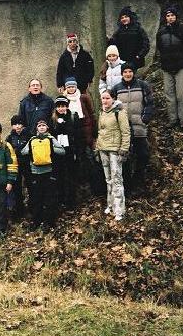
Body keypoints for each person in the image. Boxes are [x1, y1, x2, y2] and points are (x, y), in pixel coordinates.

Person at [111, 62, 154, 196]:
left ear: (133, 73)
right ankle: (128, 187)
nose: (127, 74)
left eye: (130, 71)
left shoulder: (142, 85)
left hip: (139, 127)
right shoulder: (116, 88)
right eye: (125, 72)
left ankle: (139, 182)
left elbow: (150, 103)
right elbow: (111, 107)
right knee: (125, 158)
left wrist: (145, 118)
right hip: (123, 131)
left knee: (143, 155)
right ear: (122, 74)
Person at [155, 6, 183, 130]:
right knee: (169, 95)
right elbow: (159, 47)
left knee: (182, 95)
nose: (170, 18)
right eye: (168, 16)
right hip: (167, 67)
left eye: (172, 15)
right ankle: (173, 120)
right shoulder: (161, 31)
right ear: (165, 18)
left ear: (176, 16)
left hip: (182, 67)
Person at [21, 120, 65, 230]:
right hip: (35, 173)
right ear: (36, 128)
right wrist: (33, 150)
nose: (41, 127)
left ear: (47, 128)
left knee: (49, 198)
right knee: (36, 198)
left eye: (43, 126)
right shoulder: (32, 139)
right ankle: (36, 221)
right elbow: (24, 152)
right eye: (39, 126)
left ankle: (49, 222)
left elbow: (62, 151)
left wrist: (50, 149)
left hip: (48, 172)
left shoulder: (51, 139)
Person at [94, 90, 131, 221]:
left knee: (117, 179)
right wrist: (97, 148)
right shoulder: (102, 112)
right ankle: (110, 205)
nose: (104, 101)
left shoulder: (119, 113)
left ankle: (119, 210)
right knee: (108, 179)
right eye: (103, 98)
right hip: (103, 149)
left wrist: (124, 150)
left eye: (107, 98)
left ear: (113, 99)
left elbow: (126, 132)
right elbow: (100, 132)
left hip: (115, 150)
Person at [63, 76, 95, 181]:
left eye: (73, 86)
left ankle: (91, 179)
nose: (71, 89)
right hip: (72, 129)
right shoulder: (64, 100)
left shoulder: (83, 98)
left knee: (88, 155)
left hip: (84, 127)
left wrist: (92, 130)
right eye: (69, 87)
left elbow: (91, 113)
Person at [50, 96, 78, 209]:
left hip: (69, 151)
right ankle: (60, 200)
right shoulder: (52, 119)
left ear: (67, 106)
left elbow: (77, 133)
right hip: (57, 153)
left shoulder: (72, 117)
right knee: (59, 177)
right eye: (59, 106)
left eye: (63, 106)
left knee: (70, 177)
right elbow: (51, 135)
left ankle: (71, 201)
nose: (61, 109)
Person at [108, 6, 150, 70]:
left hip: (135, 61)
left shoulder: (138, 29)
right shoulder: (119, 31)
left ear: (130, 17)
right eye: (122, 18)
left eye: (126, 17)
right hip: (122, 61)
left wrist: (139, 56)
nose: (124, 19)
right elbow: (113, 43)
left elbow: (146, 44)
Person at [4, 115, 30, 219]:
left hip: (27, 165)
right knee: (17, 189)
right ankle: (19, 211)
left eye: (19, 124)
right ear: (12, 126)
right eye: (15, 124)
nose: (18, 126)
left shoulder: (28, 136)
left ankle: (31, 209)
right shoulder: (9, 138)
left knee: (30, 187)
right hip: (15, 166)